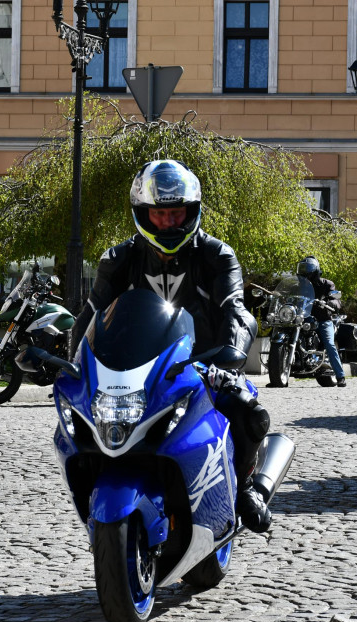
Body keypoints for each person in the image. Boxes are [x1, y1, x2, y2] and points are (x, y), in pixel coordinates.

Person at [71, 159, 273, 533]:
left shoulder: (217, 255)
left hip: (206, 363)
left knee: (249, 413)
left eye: (176, 213)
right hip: (139, 369)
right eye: (160, 214)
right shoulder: (119, 259)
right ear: (144, 215)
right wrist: (74, 364)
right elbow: (91, 316)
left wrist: (229, 362)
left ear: (191, 211)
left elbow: (237, 312)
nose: (169, 222)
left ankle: (245, 487)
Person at [296, 256, 347, 387]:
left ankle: (340, 376)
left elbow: (337, 301)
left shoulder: (327, 284)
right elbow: (290, 295)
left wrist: (328, 302)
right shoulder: (299, 286)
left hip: (323, 320)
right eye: (302, 268)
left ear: (315, 270)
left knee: (329, 344)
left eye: (307, 269)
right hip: (304, 318)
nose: (304, 272)